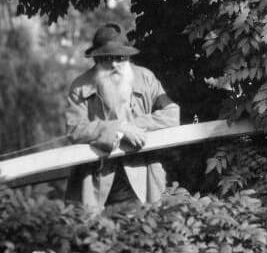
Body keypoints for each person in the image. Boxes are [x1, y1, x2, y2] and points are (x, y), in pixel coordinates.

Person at [64, 23, 180, 210]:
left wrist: (133, 125)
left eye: (120, 57)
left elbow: (172, 114)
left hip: (143, 178)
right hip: (97, 184)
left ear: (128, 57)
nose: (114, 64)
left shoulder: (146, 78)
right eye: (107, 58)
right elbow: (74, 130)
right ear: (96, 59)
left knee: (148, 230)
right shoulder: (80, 87)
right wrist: (119, 128)